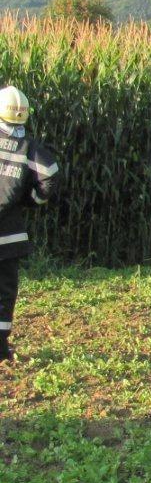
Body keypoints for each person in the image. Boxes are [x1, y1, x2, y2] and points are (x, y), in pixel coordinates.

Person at [0, 85, 60, 362]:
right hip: (8, 237)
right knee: (3, 292)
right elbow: (49, 175)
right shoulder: (28, 147)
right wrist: (31, 199)